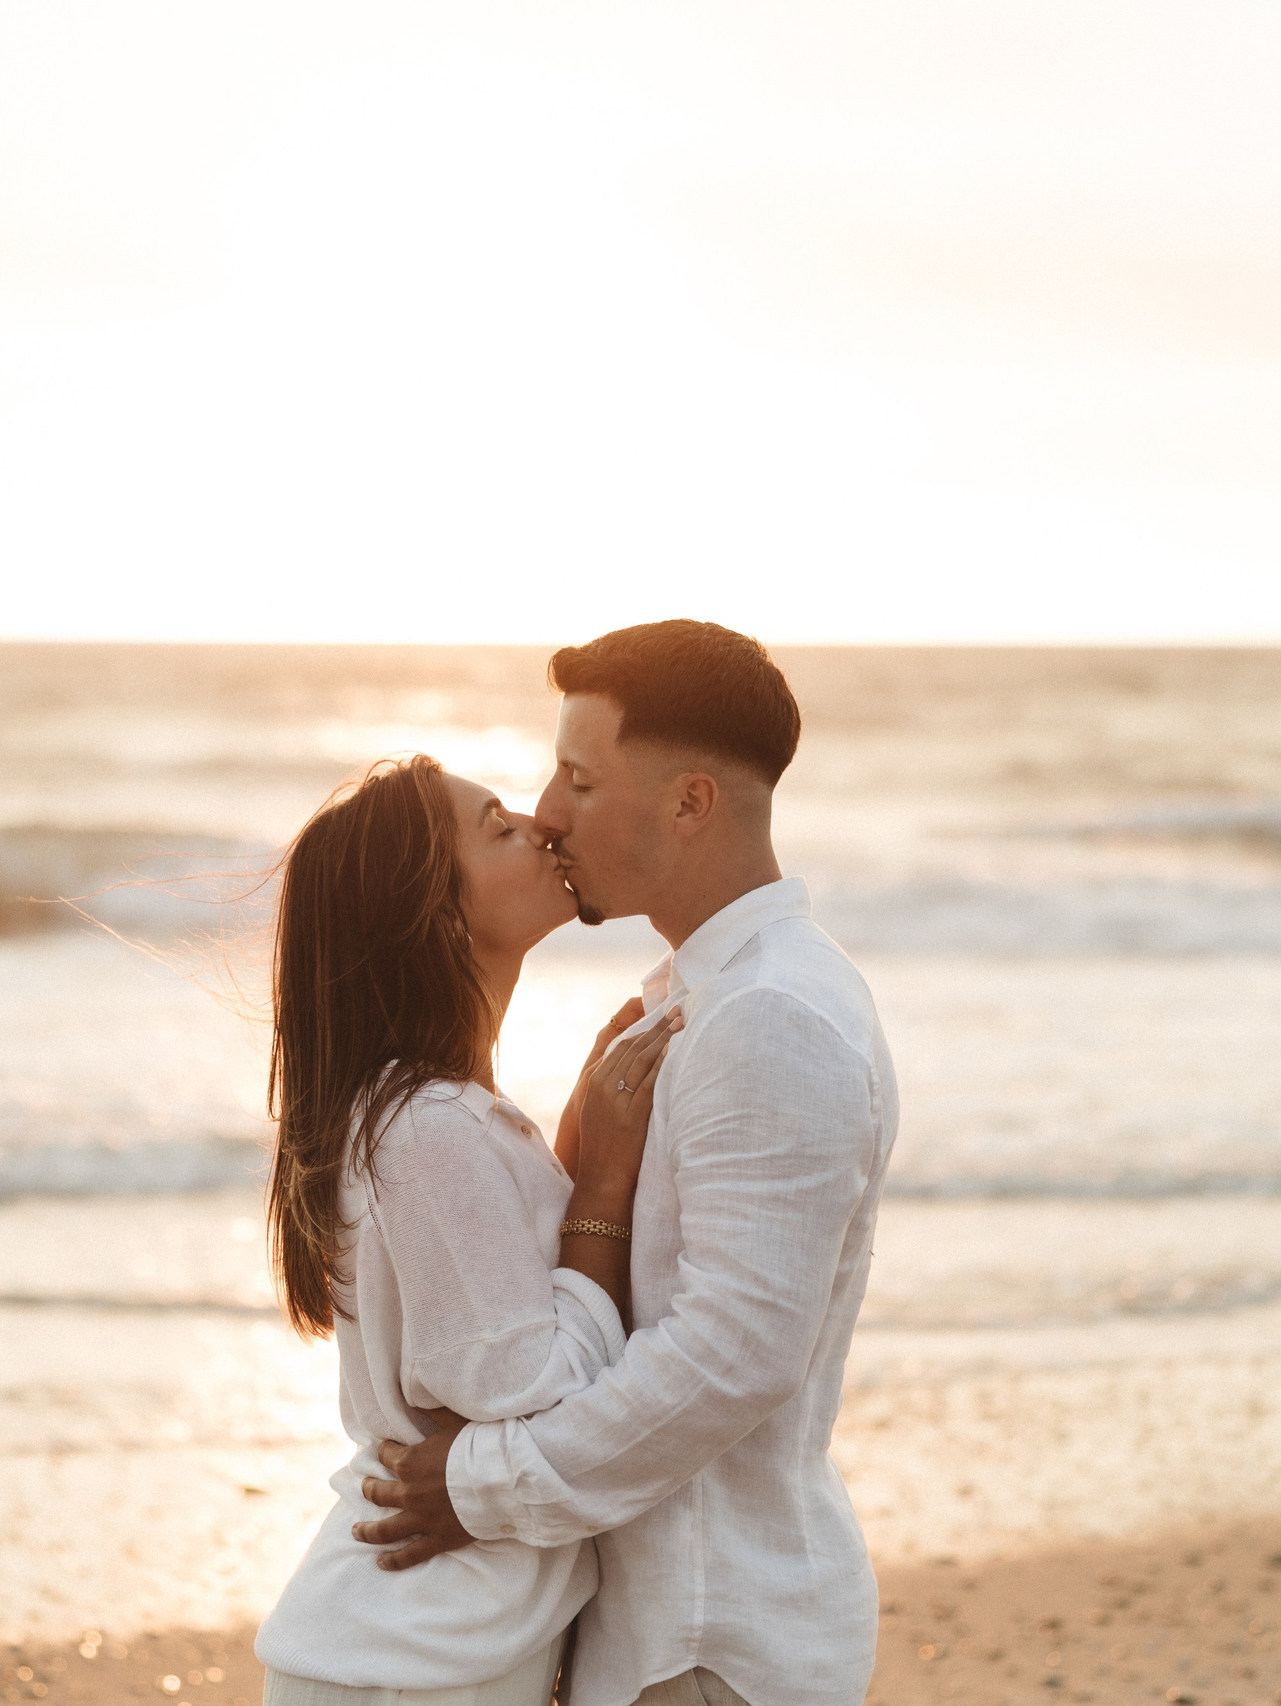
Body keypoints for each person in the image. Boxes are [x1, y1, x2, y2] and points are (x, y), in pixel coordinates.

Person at [354, 620, 901, 1706]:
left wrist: (486, 1487)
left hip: (706, 1640)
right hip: (661, 1630)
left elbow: (737, 1350)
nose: (547, 811)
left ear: (690, 801)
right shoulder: (694, 996)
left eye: (579, 777)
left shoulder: (768, 1017)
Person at [254, 753, 683, 1706]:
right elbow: (541, 1391)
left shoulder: (438, 1113)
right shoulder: (427, 1128)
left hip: (426, 1649)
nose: (539, 822)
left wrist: (576, 1134)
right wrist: (604, 1178)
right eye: (496, 825)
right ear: (437, 916)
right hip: (410, 1662)